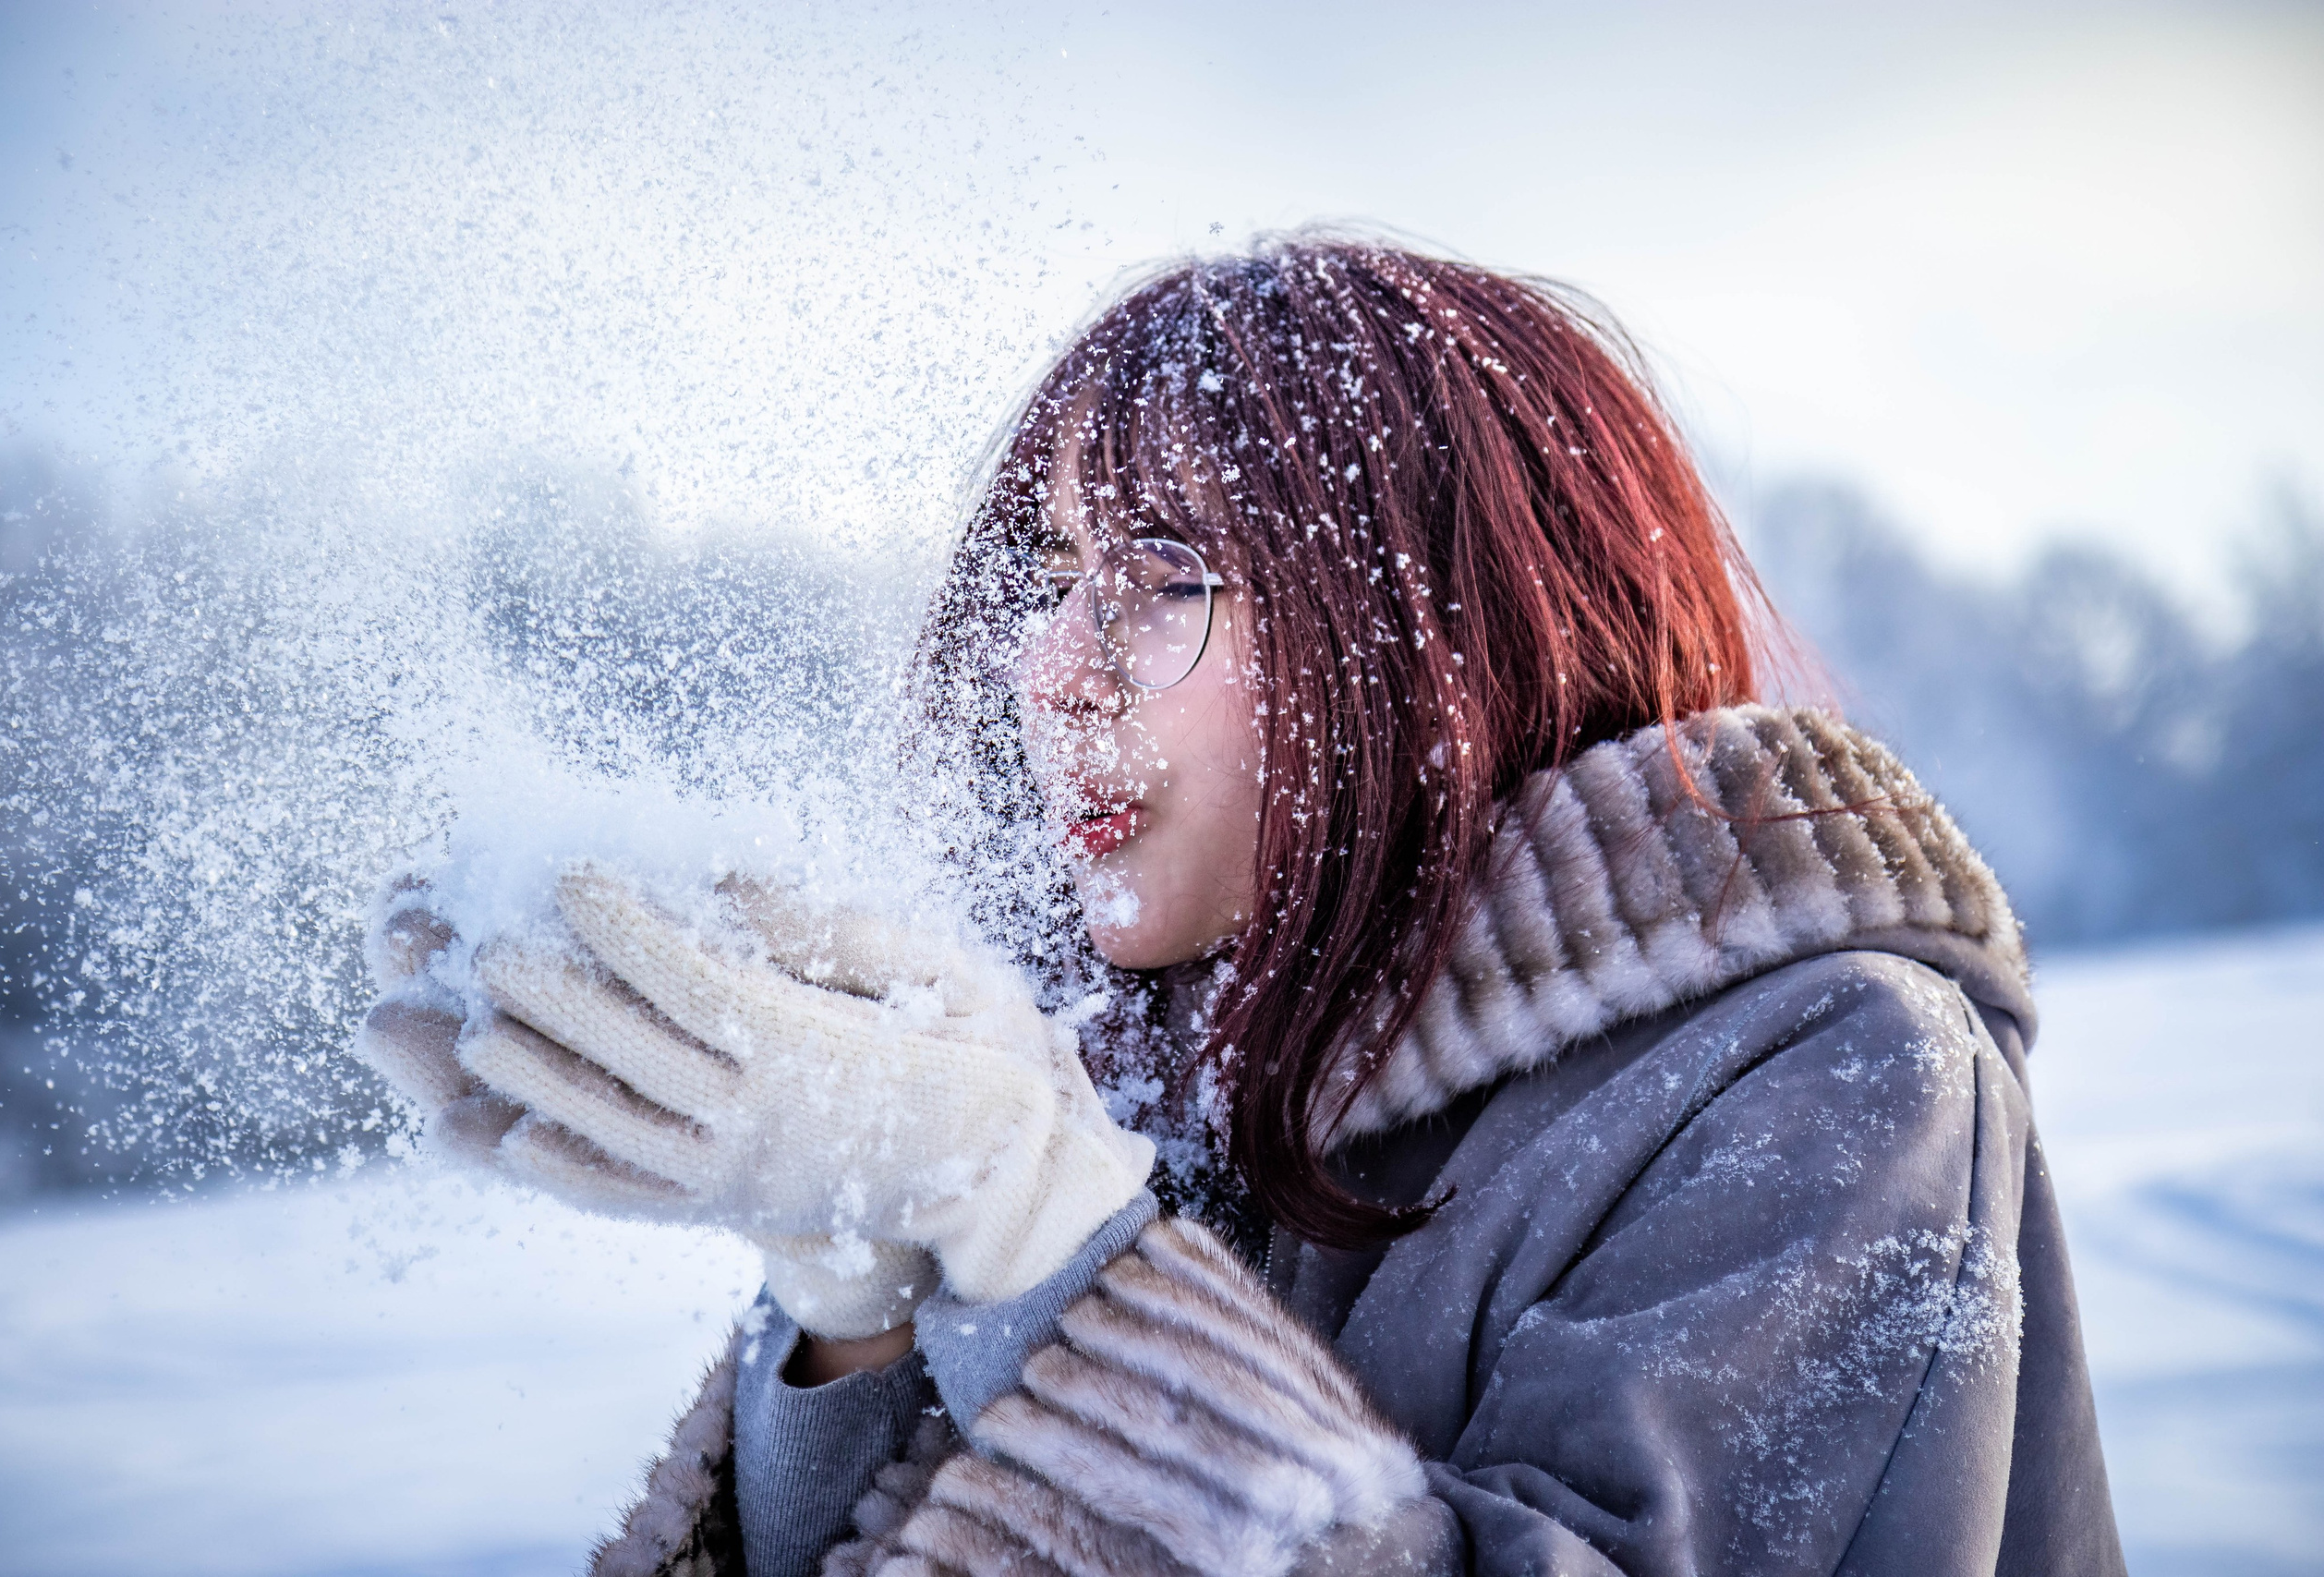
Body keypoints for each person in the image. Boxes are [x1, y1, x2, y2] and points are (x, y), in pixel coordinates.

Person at [356, 238, 2125, 1576]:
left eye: (1165, 575)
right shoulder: (1152, 1053)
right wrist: (853, 1293)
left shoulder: (1829, 1074)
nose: (1052, 669)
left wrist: (1038, 1230)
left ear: (1446, 628)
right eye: (1047, 582)